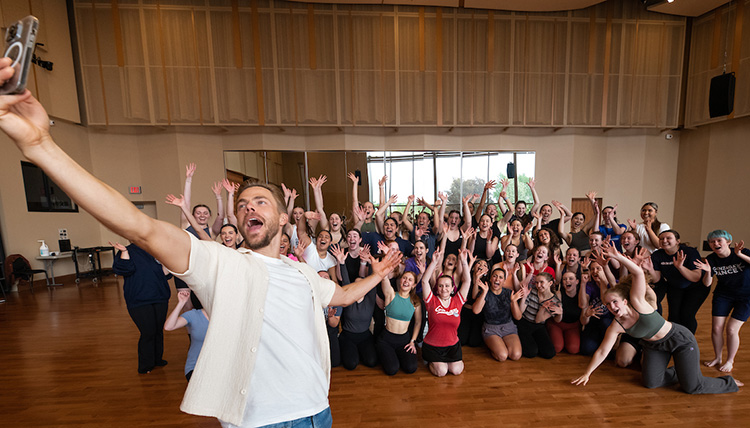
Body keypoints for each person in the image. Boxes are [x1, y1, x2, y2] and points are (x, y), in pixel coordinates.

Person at [0, 77, 402, 426]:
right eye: (243, 204)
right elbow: (137, 224)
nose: (249, 207)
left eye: (261, 201)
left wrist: (379, 273)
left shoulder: (301, 274)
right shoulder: (218, 263)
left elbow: (345, 294)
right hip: (257, 421)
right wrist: (40, 146)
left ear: (283, 220)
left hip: (317, 411)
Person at [573, 244, 741, 394]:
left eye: (615, 302)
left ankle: (728, 382)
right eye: (608, 305)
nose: (612, 307)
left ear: (624, 301)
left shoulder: (638, 303)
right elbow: (602, 351)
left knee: (692, 387)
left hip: (679, 340)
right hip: (654, 346)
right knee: (651, 383)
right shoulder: (617, 325)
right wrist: (587, 373)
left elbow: (638, 272)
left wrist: (617, 257)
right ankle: (681, 371)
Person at [111, 241, 171, 374]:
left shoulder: (156, 248)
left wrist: (165, 260)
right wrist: (124, 252)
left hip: (160, 296)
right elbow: (124, 270)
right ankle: (145, 365)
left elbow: (165, 274)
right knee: (148, 331)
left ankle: (157, 359)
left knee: (157, 330)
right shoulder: (126, 251)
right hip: (139, 299)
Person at [694, 230, 750, 373]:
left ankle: (730, 360)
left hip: (746, 296)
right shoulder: (711, 259)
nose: (715, 244)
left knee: (731, 329)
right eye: (712, 242)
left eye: (719, 240)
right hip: (723, 295)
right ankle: (717, 357)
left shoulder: (742, 252)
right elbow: (707, 284)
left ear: (728, 242)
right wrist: (707, 271)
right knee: (716, 329)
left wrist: (740, 255)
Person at [420, 248, 472, 376]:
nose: (444, 289)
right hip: (433, 346)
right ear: (437, 288)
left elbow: (467, 281)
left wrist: (464, 262)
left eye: (447, 286)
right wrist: (433, 262)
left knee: (456, 370)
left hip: (452, 346)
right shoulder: (431, 301)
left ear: (453, 288)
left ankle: (446, 363)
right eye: (441, 286)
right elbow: (424, 281)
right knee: (441, 372)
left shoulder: (457, 300)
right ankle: (431, 362)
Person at [643, 230, 707, 334]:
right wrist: (650, 269)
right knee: (673, 316)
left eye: (668, 238)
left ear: (677, 241)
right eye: (661, 239)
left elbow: (696, 277)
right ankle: (675, 341)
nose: (664, 241)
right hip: (675, 286)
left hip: (696, 287)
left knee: (687, 314)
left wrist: (680, 267)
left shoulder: (689, 252)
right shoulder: (657, 255)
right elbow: (656, 279)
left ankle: (688, 343)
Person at [375, 271, 422, 375]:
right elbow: (384, 279)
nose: (406, 281)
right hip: (386, 339)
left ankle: (395, 355)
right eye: (404, 278)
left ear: (414, 285)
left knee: (411, 368)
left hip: (404, 340)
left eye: (410, 280)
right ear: (400, 280)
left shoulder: (415, 301)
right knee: (392, 369)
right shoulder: (391, 294)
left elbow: (418, 322)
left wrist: (412, 341)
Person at [472, 268, 522, 362]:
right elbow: (476, 311)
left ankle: (501, 344)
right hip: (491, 329)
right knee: (502, 356)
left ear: (504, 281)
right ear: (490, 279)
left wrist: (513, 301)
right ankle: (494, 346)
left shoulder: (508, 293)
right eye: (494, 276)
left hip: (508, 328)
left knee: (516, 355)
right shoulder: (484, 291)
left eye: (500, 277)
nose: (497, 279)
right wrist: (484, 293)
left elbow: (518, 317)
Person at [511, 271, 561, 359]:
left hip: (538, 325)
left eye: (541, 282)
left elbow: (538, 320)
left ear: (550, 283)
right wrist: (524, 297)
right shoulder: (532, 291)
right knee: (531, 353)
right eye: (536, 282)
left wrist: (542, 308)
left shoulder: (554, 301)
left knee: (549, 353)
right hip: (524, 322)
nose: (538, 285)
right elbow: (521, 311)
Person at [164, 289, 209, 381]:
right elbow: (169, 327)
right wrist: (181, 303)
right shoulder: (193, 315)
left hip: (220, 367)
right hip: (195, 367)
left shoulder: (227, 317)